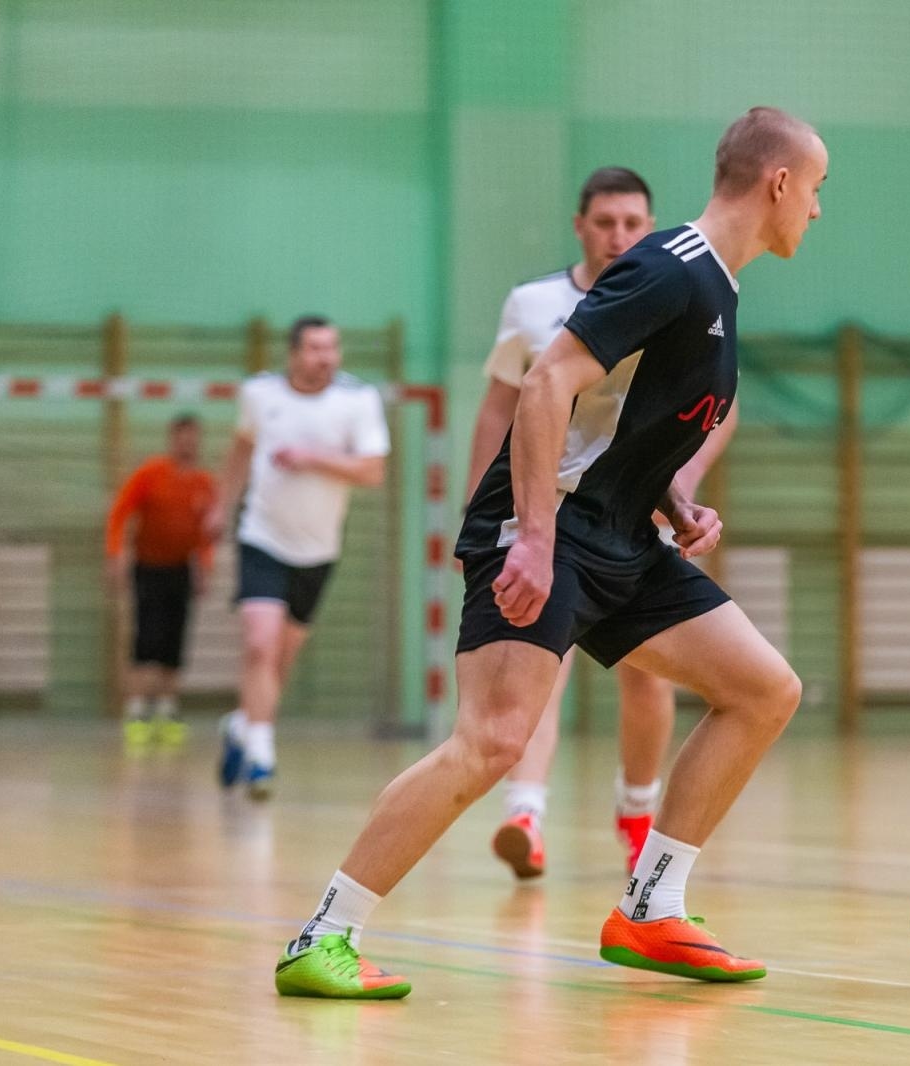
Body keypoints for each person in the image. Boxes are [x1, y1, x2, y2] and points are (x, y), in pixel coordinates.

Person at [274, 107, 825, 999]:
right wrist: (530, 538)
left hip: (623, 536)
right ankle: (322, 936)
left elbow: (622, 421)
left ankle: (652, 909)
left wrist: (673, 495)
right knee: (491, 741)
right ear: (779, 184)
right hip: (552, 532)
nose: (817, 209)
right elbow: (546, 381)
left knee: (763, 691)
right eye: (818, 189)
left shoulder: (717, 285)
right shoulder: (670, 266)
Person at [467, 166, 738, 880]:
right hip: (544, 514)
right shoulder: (533, 306)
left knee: (652, 680)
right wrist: (483, 520)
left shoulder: (671, 289)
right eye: (605, 222)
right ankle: (525, 811)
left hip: (632, 507)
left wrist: (680, 485)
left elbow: (719, 398)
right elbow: (505, 406)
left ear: (649, 228)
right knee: (538, 669)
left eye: (632, 223)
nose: (619, 235)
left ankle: (638, 811)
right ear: (580, 226)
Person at [207, 315, 391, 799]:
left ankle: (243, 725)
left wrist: (312, 458)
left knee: (281, 658)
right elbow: (241, 447)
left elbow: (373, 471)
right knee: (259, 645)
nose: (325, 357)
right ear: (294, 353)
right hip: (261, 538)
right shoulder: (260, 394)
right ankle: (261, 759)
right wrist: (221, 506)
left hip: (317, 550)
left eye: (332, 347)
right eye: (314, 348)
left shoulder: (357, 400)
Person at [105, 414, 217, 746]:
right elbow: (120, 511)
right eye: (182, 436)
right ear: (173, 438)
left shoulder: (203, 483)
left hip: (180, 569)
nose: (188, 443)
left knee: (175, 638)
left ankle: (167, 709)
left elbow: (205, 535)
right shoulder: (151, 473)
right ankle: (137, 709)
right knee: (147, 637)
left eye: (193, 437)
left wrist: (205, 567)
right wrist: (115, 553)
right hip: (148, 567)